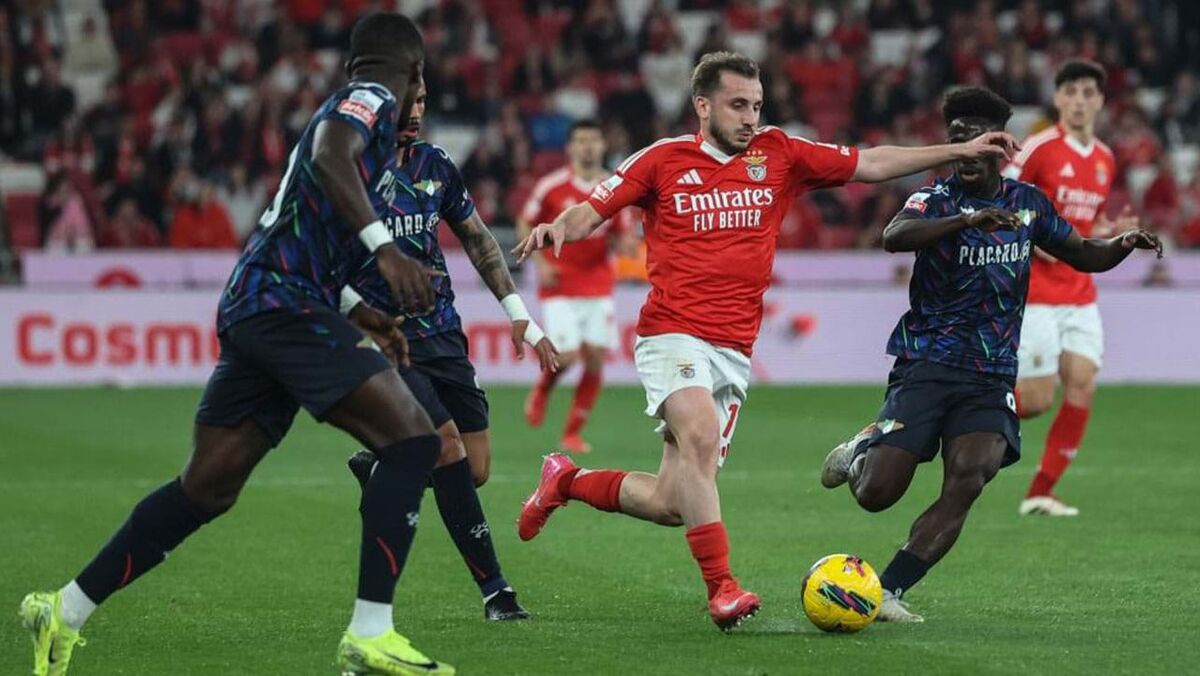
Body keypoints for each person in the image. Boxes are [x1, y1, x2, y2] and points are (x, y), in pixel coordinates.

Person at [512, 51, 1023, 631]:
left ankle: (566, 481)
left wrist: (957, 151)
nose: (750, 117)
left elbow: (873, 161)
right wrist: (559, 228)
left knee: (673, 502)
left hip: (733, 350)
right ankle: (723, 589)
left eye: (756, 105)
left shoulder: (780, 153)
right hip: (672, 333)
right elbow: (591, 209)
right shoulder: (661, 159)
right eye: (737, 105)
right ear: (703, 106)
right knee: (699, 435)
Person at [20, 14, 457, 676]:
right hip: (283, 304)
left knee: (206, 487)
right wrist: (386, 249)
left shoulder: (368, 148)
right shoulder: (370, 98)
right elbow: (328, 155)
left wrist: (360, 309)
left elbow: (298, 231)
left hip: (261, 302)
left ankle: (64, 609)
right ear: (413, 73)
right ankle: (371, 633)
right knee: (414, 441)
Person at [820, 86, 1162, 624]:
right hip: (929, 362)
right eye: (958, 139)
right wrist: (966, 221)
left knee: (971, 477)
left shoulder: (1028, 203)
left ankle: (888, 590)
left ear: (1000, 146)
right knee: (876, 494)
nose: (967, 149)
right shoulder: (935, 199)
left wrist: (1120, 247)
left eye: (977, 139)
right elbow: (894, 236)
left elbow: (1080, 253)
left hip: (991, 372)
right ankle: (863, 448)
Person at [343, 82, 556, 621]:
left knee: (473, 469)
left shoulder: (435, 165)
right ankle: (496, 592)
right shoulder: (351, 177)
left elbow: (478, 239)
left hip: (443, 334)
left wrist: (519, 314)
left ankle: (385, 465)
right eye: (405, 104)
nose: (415, 113)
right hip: (389, 339)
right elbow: (319, 265)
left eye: (420, 103)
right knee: (446, 448)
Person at [1001, 60, 1138, 517]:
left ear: (1100, 101)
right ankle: (961, 416)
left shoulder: (1104, 158)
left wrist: (1110, 231)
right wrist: (1034, 239)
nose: (1080, 101)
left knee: (1082, 384)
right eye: (1072, 92)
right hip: (1038, 291)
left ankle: (1041, 491)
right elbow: (1002, 200)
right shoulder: (1038, 148)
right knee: (1037, 399)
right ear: (1058, 98)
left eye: (1088, 93)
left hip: (1080, 291)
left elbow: (1086, 224)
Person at [517, 119, 639, 454]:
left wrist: (626, 244)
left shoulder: (613, 187)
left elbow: (621, 232)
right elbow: (525, 221)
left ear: (603, 145)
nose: (587, 147)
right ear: (570, 148)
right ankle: (543, 390)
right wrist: (541, 263)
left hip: (597, 283)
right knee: (568, 356)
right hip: (560, 283)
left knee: (596, 358)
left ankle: (572, 433)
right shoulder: (552, 186)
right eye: (581, 140)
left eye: (593, 140)